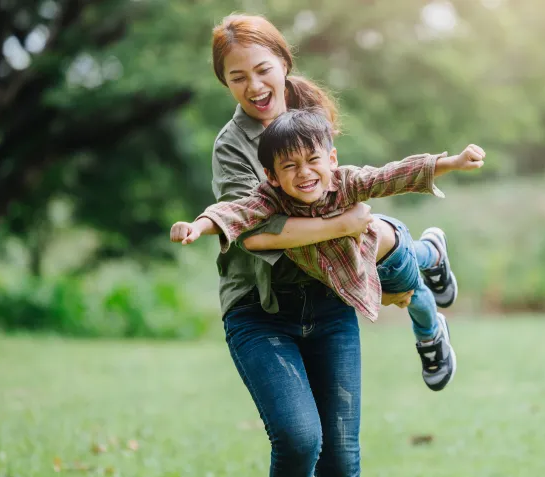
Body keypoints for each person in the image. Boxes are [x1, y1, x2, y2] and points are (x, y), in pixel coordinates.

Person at [183, 13, 458, 476]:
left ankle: (427, 272)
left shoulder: (308, 115)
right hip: (263, 307)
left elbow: (362, 182)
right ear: (224, 82)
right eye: (238, 77)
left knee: (341, 459)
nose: (254, 86)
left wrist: (440, 166)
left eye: (263, 70)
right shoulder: (232, 146)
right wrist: (345, 225)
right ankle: (427, 265)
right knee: (299, 439)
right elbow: (257, 233)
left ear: (283, 63)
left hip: (328, 297)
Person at [172, 108, 486, 390]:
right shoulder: (270, 200)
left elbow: (392, 175)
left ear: (331, 159)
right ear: (272, 176)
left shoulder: (346, 182)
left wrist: (451, 162)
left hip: (387, 255)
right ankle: (432, 250)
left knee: (413, 294)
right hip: (359, 263)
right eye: (290, 166)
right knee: (413, 274)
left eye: (313, 160)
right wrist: (197, 226)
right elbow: (234, 212)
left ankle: (431, 334)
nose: (304, 172)